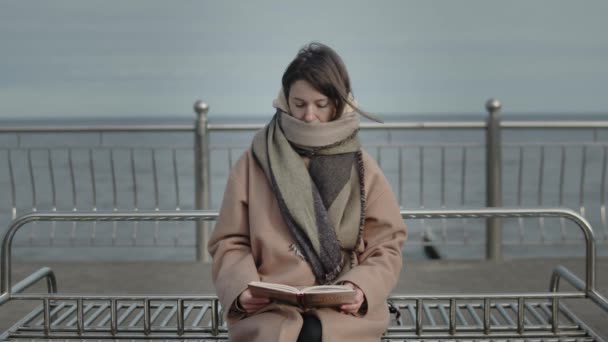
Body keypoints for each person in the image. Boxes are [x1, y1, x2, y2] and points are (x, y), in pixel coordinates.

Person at [208, 42, 407, 342]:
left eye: (320, 104)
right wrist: (242, 288)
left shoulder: (362, 167)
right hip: (270, 308)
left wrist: (362, 288)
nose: (308, 116)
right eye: (299, 104)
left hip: (342, 310)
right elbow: (229, 240)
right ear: (285, 101)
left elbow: (387, 244)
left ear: (337, 104)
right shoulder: (254, 161)